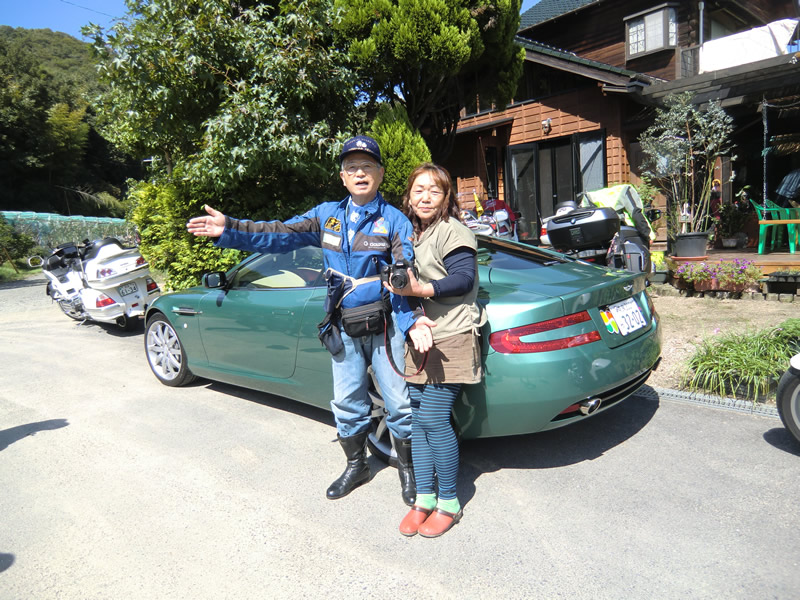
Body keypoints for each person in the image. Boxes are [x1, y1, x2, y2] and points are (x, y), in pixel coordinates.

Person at [186, 135, 435, 505]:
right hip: (342, 323)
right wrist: (230, 228)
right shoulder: (326, 216)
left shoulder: (394, 220)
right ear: (342, 177)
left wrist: (410, 313)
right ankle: (357, 466)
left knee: (398, 404)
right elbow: (279, 234)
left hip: (384, 325)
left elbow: (404, 265)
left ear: (380, 174)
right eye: (352, 167)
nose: (360, 173)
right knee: (347, 402)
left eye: (367, 166)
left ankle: (408, 473)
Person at [384, 163, 486, 538]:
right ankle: (424, 498)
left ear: (446, 197)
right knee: (417, 419)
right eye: (419, 190)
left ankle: (449, 502)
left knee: (433, 419)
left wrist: (419, 291)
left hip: (452, 335)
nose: (425, 197)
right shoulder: (412, 234)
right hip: (420, 335)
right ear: (408, 196)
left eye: (435, 190)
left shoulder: (452, 231)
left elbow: (463, 279)